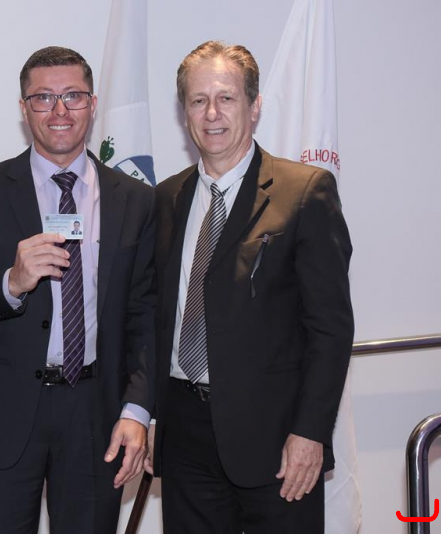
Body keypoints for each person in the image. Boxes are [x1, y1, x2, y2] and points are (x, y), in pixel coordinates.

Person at [0, 46, 156, 533]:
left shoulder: (136, 200)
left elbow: (146, 314)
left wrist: (137, 410)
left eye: (73, 96)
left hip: (96, 413)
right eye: (43, 98)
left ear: (93, 104)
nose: (60, 110)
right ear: (24, 108)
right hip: (5, 411)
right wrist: (11, 283)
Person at [152, 40, 353, 533]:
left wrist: (310, 433)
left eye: (226, 98)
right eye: (198, 101)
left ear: (254, 105)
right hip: (184, 439)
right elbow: (153, 315)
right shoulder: (167, 198)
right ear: (184, 112)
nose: (212, 114)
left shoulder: (304, 191)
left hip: (277, 441)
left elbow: (330, 328)